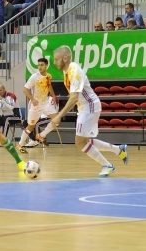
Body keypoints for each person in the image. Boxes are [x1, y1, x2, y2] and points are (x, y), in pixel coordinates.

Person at [46, 46, 128, 177]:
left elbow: (74, 98)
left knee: (79, 142)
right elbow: (74, 95)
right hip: (83, 107)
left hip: (89, 106)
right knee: (83, 140)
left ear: (65, 58)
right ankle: (119, 150)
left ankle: (107, 165)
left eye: (56, 59)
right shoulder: (66, 71)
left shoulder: (74, 70)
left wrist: (58, 116)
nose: (54, 62)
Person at [19, 57, 59, 152]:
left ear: (46, 65)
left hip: (45, 104)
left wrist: (53, 96)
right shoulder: (34, 77)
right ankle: (20, 144)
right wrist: (32, 99)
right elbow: (25, 89)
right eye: (39, 65)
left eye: (42, 65)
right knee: (30, 127)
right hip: (36, 106)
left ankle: (41, 135)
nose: (40, 67)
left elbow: (49, 86)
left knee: (57, 119)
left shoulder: (48, 76)